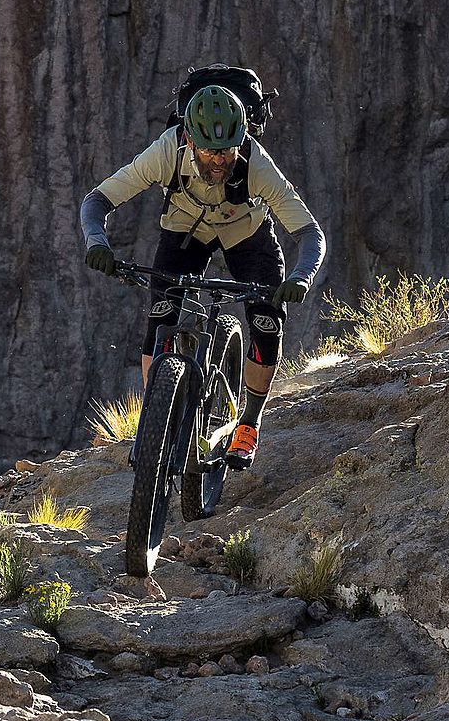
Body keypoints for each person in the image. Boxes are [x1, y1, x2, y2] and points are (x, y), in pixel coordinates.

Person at [79, 83, 326, 468]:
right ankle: (154, 420)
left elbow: (310, 233)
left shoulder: (256, 164)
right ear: (190, 140)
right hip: (185, 232)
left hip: (246, 233)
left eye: (227, 150)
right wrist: (97, 242)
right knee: (161, 317)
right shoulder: (166, 151)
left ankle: (249, 422)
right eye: (210, 150)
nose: (219, 160)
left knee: (267, 322)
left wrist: (301, 277)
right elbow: (97, 200)